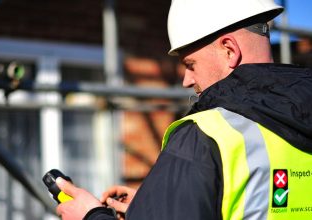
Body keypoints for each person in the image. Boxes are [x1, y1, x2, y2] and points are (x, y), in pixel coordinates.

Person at [55, 0, 312, 219]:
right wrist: (156, 206)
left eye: (190, 63)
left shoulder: (206, 135)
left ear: (229, 50)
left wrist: (91, 215)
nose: (186, 80)